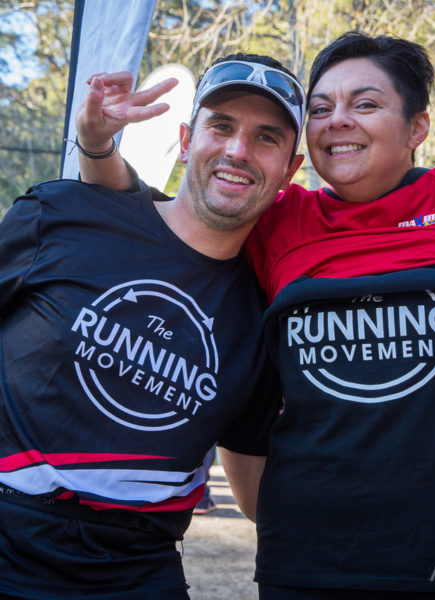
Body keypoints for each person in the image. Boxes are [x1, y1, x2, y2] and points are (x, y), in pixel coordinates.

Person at [77, 34, 435, 599]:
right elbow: (154, 224)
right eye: (320, 109)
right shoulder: (278, 218)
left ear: (418, 127)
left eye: (365, 104)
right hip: (306, 558)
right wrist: (97, 145)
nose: (337, 121)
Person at [0, 52, 304, 598]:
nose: (238, 149)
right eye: (221, 126)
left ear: (290, 169)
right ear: (186, 141)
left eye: (266, 137)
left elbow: (253, 486)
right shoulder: (64, 212)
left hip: (135, 573)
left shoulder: (264, 317)